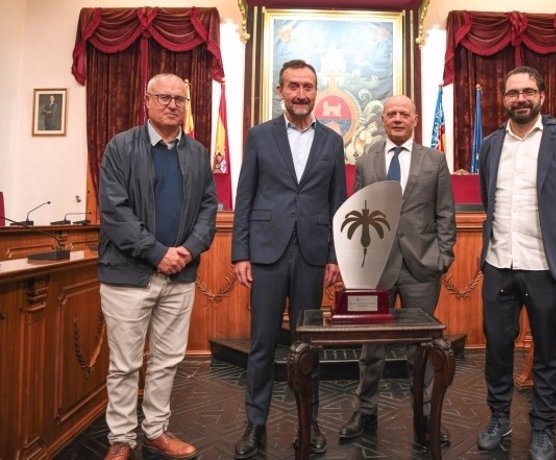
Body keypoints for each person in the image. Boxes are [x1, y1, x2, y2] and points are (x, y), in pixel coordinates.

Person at [476, 66, 556, 460]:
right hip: (498, 264)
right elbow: (485, 198)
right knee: (497, 350)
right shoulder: (490, 145)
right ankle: (498, 418)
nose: (520, 98)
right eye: (512, 93)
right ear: (504, 98)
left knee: (545, 352)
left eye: (527, 91)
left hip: (544, 267)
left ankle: (543, 429)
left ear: (542, 95)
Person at [98, 73, 218, 460]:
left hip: (180, 275)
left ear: (186, 105)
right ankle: (120, 438)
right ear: (146, 101)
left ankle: (155, 431)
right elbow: (115, 213)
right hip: (127, 276)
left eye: (179, 99)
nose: (172, 105)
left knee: (167, 361)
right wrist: (156, 252)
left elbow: (207, 208)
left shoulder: (198, 153)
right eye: (163, 98)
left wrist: (189, 249)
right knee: (124, 365)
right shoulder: (120, 147)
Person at [232, 59, 346, 459]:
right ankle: (255, 424)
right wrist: (240, 252)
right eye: (293, 86)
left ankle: (308, 420)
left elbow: (338, 203)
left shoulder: (332, 141)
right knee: (263, 343)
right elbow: (244, 196)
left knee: (308, 344)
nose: (301, 94)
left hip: (313, 253)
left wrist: (336, 256)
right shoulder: (259, 136)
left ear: (316, 92)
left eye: (308, 87)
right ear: (280, 90)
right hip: (266, 251)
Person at [338, 95, 456, 446]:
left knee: (420, 348)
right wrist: (356, 262)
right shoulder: (368, 159)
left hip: (422, 266)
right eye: (392, 114)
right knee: (370, 347)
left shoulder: (434, 160)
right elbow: (356, 212)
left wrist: (443, 256)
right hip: (374, 268)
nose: (398, 119)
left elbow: (445, 214)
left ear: (415, 119)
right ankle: (364, 411)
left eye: (405, 114)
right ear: (383, 120)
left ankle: (425, 415)